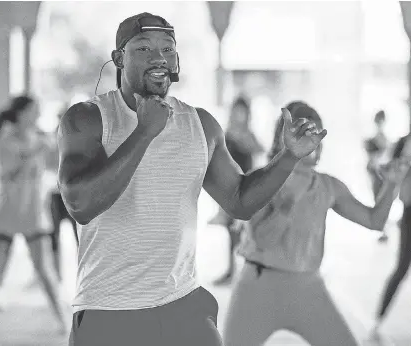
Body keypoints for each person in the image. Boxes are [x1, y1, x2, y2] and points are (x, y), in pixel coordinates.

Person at [58, 13, 326, 346]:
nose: (158, 57)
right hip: (109, 308)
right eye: (143, 48)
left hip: (183, 304)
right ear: (118, 58)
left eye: (167, 49)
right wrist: (144, 132)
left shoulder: (201, 125)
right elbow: (80, 204)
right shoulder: (87, 119)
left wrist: (288, 157)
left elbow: (240, 200)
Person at [222, 102, 410, 346]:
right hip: (258, 287)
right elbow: (263, 239)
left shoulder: (327, 185)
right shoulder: (262, 180)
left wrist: (392, 184)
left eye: (318, 134)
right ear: (283, 139)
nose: (313, 143)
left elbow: (375, 221)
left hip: (308, 287)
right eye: (305, 133)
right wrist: (288, 205)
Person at [0, 95, 67, 333]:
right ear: (22, 113)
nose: (39, 114)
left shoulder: (39, 138)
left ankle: (63, 321)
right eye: (34, 110)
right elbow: (8, 175)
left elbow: (56, 163)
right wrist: (35, 153)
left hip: (33, 214)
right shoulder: (5, 141)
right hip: (7, 213)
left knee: (45, 270)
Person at [208, 96, 264, 285]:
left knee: (249, 234)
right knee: (232, 234)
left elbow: (259, 150)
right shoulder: (226, 134)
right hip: (230, 188)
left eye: (242, 111)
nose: (239, 115)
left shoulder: (248, 134)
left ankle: (252, 274)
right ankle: (232, 272)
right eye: (236, 111)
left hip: (248, 188)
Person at [372, 129, 411, 338]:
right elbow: (385, 168)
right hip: (409, 212)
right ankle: (377, 322)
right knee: (402, 267)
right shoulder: (403, 141)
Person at [47, 106, 78, 283]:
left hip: (72, 194)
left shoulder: (78, 138)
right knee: (54, 237)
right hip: (56, 194)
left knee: (80, 238)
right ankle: (56, 277)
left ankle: (82, 275)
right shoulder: (51, 140)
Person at [365, 110, 391, 242]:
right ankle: (383, 229)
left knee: (382, 201)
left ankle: (384, 230)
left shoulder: (385, 140)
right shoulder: (374, 139)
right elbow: (370, 162)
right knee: (378, 201)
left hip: (382, 175)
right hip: (376, 175)